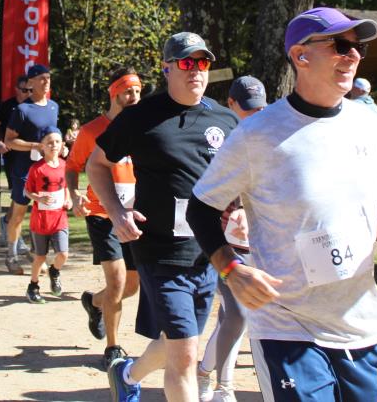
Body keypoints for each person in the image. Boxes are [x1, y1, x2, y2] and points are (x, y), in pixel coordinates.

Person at [187, 6, 377, 402]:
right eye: (340, 45)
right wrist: (231, 269)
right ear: (301, 56)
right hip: (286, 324)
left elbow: (374, 207)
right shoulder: (257, 134)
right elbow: (201, 207)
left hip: (356, 321)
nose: (353, 55)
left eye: (358, 48)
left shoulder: (367, 122)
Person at [87, 32, 238, 402]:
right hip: (158, 251)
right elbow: (97, 164)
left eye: (202, 62)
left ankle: (127, 375)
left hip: (208, 252)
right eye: (186, 62)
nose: (196, 70)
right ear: (167, 68)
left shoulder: (225, 120)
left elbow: (241, 178)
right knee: (184, 355)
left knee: (178, 341)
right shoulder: (140, 117)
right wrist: (117, 212)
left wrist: (240, 207)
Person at [195, 75, 266, 402]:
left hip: (259, 245)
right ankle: (224, 387)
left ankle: (204, 372)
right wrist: (231, 212)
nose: (254, 115)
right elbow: (204, 196)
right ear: (231, 105)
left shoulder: (270, 139)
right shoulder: (221, 142)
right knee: (237, 315)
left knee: (234, 318)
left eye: (260, 108)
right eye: (247, 109)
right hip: (224, 246)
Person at [68, 67, 143, 370]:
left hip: (134, 214)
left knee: (131, 286)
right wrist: (74, 194)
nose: (134, 97)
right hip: (102, 214)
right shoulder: (91, 131)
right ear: (114, 93)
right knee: (117, 281)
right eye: (128, 91)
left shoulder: (143, 127)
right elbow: (72, 166)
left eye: (138, 91)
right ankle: (113, 347)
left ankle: (94, 302)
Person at [3, 64, 60, 275]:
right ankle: (11, 256)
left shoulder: (54, 107)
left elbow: (52, 135)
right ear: (31, 82)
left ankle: (38, 255)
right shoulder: (22, 110)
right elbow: (9, 141)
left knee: (43, 214)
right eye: (41, 78)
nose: (46, 82)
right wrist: (34, 146)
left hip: (46, 170)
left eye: (48, 78)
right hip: (24, 170)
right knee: (18, 215)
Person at [23, 127, 71, 303]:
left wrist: (68, 199)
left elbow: (66, 186)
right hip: (41, 220)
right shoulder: (37, 168)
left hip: (59, 218)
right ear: (42, 146)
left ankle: (54, 271)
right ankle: (33, 286)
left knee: (63, 254)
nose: (54, 145)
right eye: (49, 143)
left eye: (57, 142)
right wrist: (37, 197)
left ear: (62, 144)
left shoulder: (65, 166)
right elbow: (27, 191)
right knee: (40, 257)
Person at [0, 74, 30, 251]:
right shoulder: (7, 106)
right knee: (19, 194)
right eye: (24, 90)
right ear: (16, 89)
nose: (28, 93)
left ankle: (8, 221)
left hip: (31, 155)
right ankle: (14, 234)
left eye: (30, 90)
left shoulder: (34, 105)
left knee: (25, 195)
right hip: (12, 155)